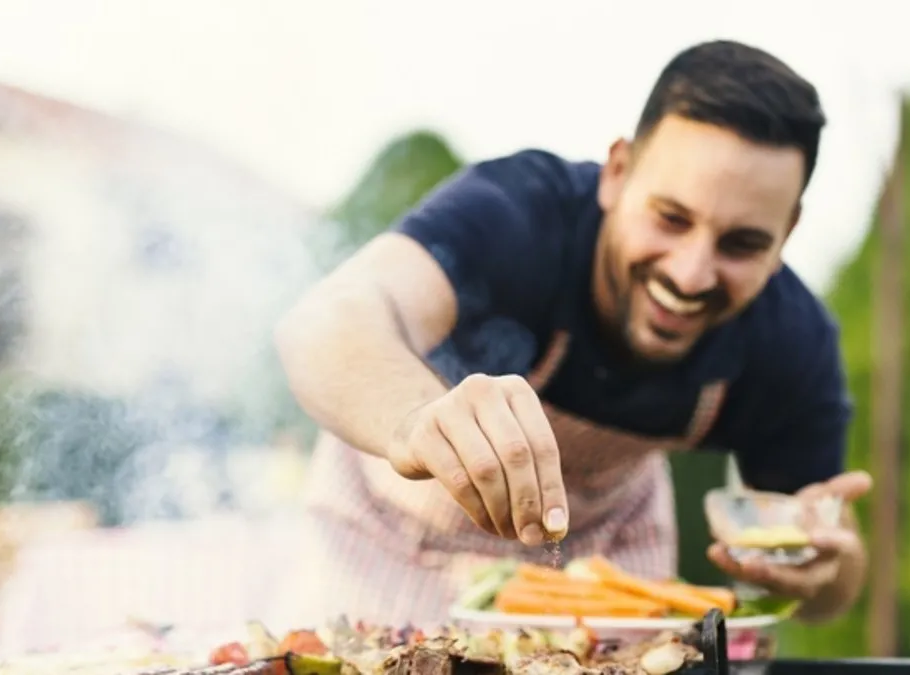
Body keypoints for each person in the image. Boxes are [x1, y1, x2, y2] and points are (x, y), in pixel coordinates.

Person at [271, 39, 871, 629]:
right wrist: (415, 422)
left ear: (787, 232)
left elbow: (830, 583)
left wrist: (823, 572)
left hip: (602, 560)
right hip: (390, 543)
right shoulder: (520, 212)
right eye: (670, 218)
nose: (690, 275)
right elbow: (325, 323)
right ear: (616, 173)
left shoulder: (791, 339)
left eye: (742, 244)